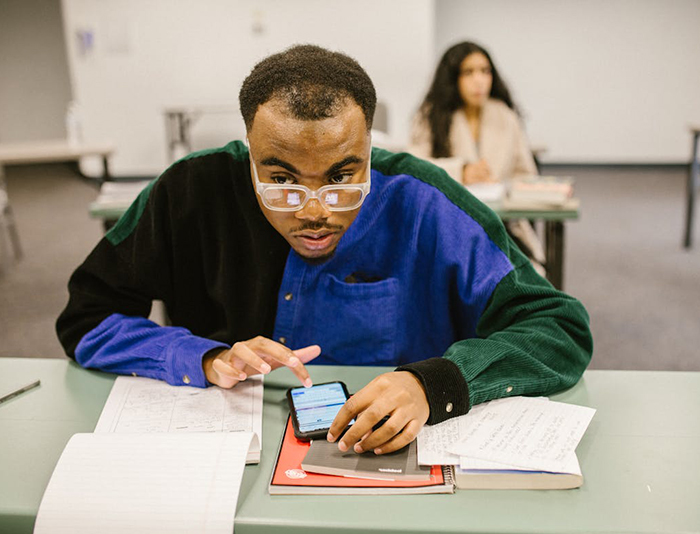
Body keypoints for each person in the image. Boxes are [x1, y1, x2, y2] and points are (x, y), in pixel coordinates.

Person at [57, 44, 592, 457]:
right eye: (281, 178)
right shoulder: (188, 192)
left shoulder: (425, 202)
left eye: (342, 176)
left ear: (369, 151)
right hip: (232, 470)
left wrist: (437, 384)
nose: (315, 211)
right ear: (248, 153)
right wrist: (203, 357)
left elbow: (558, 327)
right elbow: (86, 316)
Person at [409, 41, 544, 268]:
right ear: (453, 78)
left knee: (525, 274)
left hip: (503, 227)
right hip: (447, 226)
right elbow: (414, 166)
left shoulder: (504, 115)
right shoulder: (431, 116)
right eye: (468, 72)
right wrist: (461, 171)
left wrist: (504, 186)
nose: (479, 80)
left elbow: (525, 174)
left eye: (485, 71)